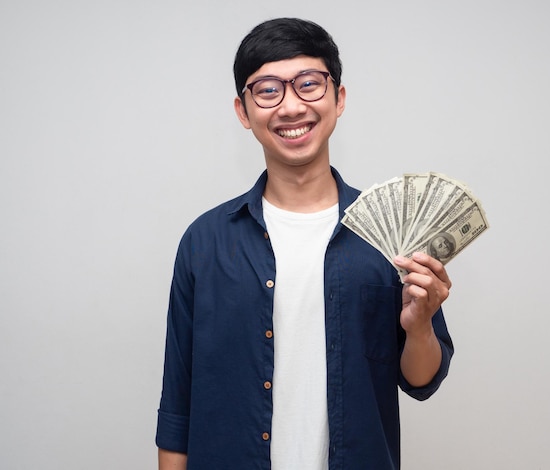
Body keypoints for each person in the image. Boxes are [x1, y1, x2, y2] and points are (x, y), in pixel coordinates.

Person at [156, 17, 454, 470]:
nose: (291, 107)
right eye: (269, 90)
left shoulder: (389, 238)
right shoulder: (205, 241)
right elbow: (178, 406)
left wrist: (419, 326)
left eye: (309, 84)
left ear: (339, 98)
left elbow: (421, 380)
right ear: (243, 111)